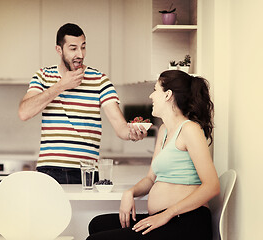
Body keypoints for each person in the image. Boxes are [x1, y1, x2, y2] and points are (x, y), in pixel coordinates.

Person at [87, 70, 220, 240]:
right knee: (97, 224)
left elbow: (212, 186)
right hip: (166, 219)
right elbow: (151, 179)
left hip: (187, 222)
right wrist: (130, 192)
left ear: (168, 95)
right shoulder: (164, 130)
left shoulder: (190, 130)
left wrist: (166, 214)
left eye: (155, 89)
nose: (151, 95)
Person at [18, 23, 147, 184]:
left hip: (86, 172)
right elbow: (24, 112)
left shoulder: (100, 80)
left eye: (83, 47)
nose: (80, 54)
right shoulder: (43, 76)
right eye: (73, 48)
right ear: (59, 50)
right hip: (49, 170)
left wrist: (132, 134)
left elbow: (120, 126)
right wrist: (60, 86)